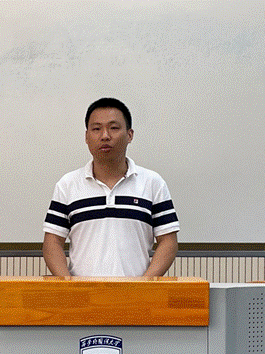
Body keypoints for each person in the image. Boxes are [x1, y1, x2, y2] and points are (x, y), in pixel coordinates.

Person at [43, 98, 179, 276]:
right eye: (96, 129)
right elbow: (52, 242)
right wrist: (67, 284)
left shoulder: (152, 183)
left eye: (114, 128)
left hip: (136, 292)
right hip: (83, 292)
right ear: (86, 137)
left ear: (129, 135)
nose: (105, 136)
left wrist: (145, 283)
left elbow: (168, 241)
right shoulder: (68, 184)